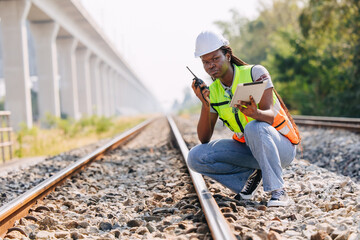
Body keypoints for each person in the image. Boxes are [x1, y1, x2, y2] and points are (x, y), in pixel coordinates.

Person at [187, 30, 301, 207]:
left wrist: (256, 114)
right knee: (196, 156)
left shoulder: (255, 73)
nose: (211, 66)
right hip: (251, 150)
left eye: (215, 59)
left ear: (228, 55)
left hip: (281, 148)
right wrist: (205, 104)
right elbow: (204, 138)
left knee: (254, 127)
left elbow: (270, 116)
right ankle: (248, 179)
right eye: (205, 62)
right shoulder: (214, 92)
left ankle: (279, 191)